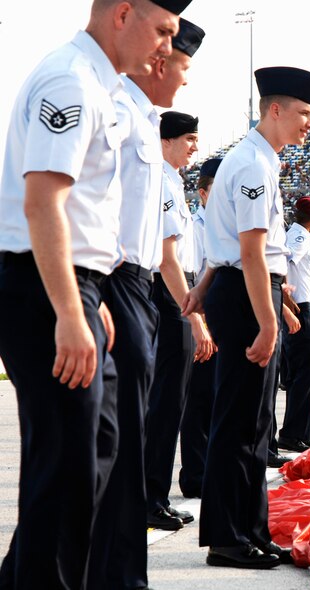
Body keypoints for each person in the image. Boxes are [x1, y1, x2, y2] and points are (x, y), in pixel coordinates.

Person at [0, 1, 184, 587]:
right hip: (42, 286)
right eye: (162, 32)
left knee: (94, 451)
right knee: (67, 469)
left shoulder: (102, 87)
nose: (165, 49)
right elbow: (43, 203)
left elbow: (81, 215)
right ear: (122, 14)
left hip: (76, 285)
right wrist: (68, 310)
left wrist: (91, 298)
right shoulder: (72, 81)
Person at [195, 65, 310, 569]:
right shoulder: (252, 164)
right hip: (250, 292)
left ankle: (250, 528)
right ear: (276, 109)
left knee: (255, 421)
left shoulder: (259, 160)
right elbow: (249, 252)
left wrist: (204, 285)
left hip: (244, 287)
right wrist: (269, 321)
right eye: (304, 113)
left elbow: (228, 247)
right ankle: (229, 537)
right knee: (241, 419)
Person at [88, 11, 200, 589]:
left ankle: (122, 574)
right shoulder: (113, 107)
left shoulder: (143, 117)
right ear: (158, 60)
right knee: (109, 446)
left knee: (122, 442)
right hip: (112, 282)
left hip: (133, 285)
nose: (182, 76)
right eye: (179, 63)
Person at [145, 110, 214, 533]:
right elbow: (168, 261)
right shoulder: (162, 182)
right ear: (167, 141)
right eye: (189, 139)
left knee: (172, 403)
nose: (195, 147)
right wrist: (193, 317)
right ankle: (150, 498)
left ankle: (154, 495)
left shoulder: (172, 182)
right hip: (169, 291)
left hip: (177, 290)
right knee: (166, 404)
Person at [179, 156, 221, 498]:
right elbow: (193, 275)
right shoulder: (197, 226)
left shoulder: (223, 224)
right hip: (203, 318)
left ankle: (208, 466)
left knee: (215, 397)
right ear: (204, 194)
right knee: (199, 399)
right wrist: (201, 322)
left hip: (223, 317)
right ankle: (195, 473)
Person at [277, 196, 310, 453]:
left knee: (303, 373)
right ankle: (293, 433)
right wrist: (287, 295)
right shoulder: (300, 237)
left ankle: (301, 432)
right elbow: (284, 262)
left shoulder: (294, 233)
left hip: (298, 305)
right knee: (305, 373)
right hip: (299, 306)